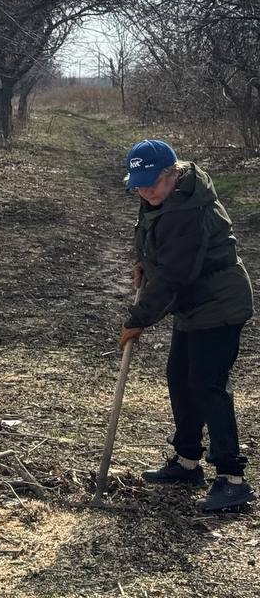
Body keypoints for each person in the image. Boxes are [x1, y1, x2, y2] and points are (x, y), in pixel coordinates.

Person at [120, 139, 254, 512]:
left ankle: (232, 478)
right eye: (139, 182)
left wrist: (138, 320)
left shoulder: (189, 211)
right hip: (194, 304)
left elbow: (177, 274)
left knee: (207, 385)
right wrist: (144, 261)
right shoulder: (161, 195)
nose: (145, 190)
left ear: (172, 173)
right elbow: (150, 234)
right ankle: (186, 461)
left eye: (152, 183)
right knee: (179, 377)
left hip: (220, 302)